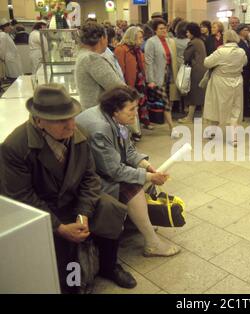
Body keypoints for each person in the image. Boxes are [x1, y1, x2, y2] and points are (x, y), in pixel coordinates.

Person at [0, 84, 136, 292]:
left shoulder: (77, 133)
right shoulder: (15, 147)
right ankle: (73, 284)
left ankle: (109, 265)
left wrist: (83, 214)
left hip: (74, 201)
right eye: (61, 120)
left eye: (72, 116)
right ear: (39, 121)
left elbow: (90, 177)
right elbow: (22, 197)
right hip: (44, 210)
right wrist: (60, 227)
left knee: (110, 208)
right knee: (63, 255)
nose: (71, 124)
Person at [76, 86, 181, 258]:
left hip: (101, 168)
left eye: (137, 108)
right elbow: (114, 171)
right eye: (131, 109)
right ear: (116, 110)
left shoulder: (114, 119)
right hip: (86, 179)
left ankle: (139, 222)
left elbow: (129, 150)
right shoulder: (100, 128)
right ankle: (152, 243)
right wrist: (149, 177)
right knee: (133, 187)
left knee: (141, 177)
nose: (136, 113)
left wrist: (148, 167)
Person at [203, 30, 247, 146]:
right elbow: (245, 62)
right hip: (237, 81)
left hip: (220, 82)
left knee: (215, 105)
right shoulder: (241, 51)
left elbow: (207, 63)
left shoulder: (221, 51)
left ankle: (212, 131)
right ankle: (234, 138)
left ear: (225, 38)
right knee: (235, 109)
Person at [75, 22, 124, 109]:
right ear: (102, 38)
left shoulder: (83, 54)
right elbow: (117, 86)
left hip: (90, 109)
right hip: (99, 112)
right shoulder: (92, 59)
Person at [145, 18, 180, 138]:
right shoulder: (151, 42)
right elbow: (148, 61)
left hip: (169, 73)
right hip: (158, 75)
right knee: (165, 101)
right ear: (155, 30)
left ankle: (168, 122)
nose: (164, 30)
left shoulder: (169, 41)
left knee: (169, 100)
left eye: (165, 28)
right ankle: (172, 127)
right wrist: (150, 80)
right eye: (161, 28)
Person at [114, 26, 147, 141]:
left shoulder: (137, 50)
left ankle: (135, 131)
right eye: (140, 37)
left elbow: (141, 66)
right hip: (128, 83)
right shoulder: (121, 49)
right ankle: (132, 132)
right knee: (129, 108)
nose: (142, 40)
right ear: (132, 37)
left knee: (135, 107)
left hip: (139, 82)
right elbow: (120, 69)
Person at [179, 22, 207, 123]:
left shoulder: (193, 42)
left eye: (187, 32)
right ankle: (205, 118)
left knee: (193, 95)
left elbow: (186, 56)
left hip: (195, 71)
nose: (187, 34)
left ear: (191, 32)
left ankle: (189, 118)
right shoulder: (201, 41)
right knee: (202, 96)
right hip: (203, 70)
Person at [236, 24, 250, 117]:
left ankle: (246, 108)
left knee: (246, 89)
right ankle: (244, 110)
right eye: (245, 30)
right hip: (243, 69)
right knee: (243, 90)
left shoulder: (246, 41)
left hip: (248, 69)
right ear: (240, 31)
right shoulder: (239, 42)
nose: (247, 32)